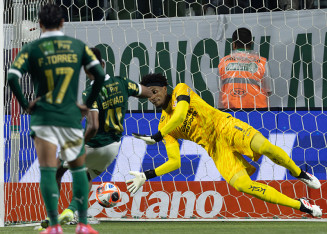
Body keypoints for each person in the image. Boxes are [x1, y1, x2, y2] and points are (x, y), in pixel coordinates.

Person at [126, 73, 322, 218]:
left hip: (226, 126)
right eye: (148, 96)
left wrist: (159, 135)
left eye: (154, 92)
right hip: (215, 149)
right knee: (242, 185)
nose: (152, 97)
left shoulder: (180, 90)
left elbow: (180, 114)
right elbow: (174, 162)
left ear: (164, 88)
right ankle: (302, 205)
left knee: (265, 147)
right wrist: (146, 175)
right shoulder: (163, 124)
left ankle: (300, 174)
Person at [7, 4, 105, 234]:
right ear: (63, 23)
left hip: (43, 118)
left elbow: (12, 76)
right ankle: (83, 224)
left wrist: (25, 104)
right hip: (70, 117)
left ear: (39, 24)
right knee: (79, 169)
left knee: (49, 170)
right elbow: (99, 74)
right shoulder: (77, 46)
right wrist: (87, 105)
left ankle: (54, 226)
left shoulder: (32, 47)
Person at [43, 47, 153, 226]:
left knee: (56, 170)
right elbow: (147, 93)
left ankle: (53, 215)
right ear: (103, 64)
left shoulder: (91, 92)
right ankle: (75, 213)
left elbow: (93, 126)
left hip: (94, 144)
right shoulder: (122, 83)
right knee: (85, 176)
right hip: (113, 148)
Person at [218, 28, 272, 109]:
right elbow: (269, 89)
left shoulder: (223, 62)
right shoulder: (261, 62)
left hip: (230, 112)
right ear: (251, 43)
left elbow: (220, 88)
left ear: (233, 44)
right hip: (258, 112)